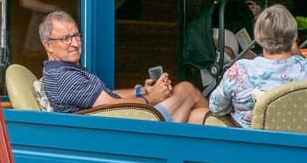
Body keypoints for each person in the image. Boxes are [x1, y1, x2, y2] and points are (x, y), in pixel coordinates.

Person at [38, 11, 210, 123]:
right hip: (127, 132)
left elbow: (104, 96)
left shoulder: (63, 70)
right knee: (186, 89)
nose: (75, 43)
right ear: (48, 45)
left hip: (120, 124)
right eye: (65, 39)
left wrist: (141, 92)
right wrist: (153, 98)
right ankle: (234, 130)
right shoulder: (65, 76)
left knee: (198, 117)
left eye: (76, 35)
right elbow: (110, 106)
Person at [208, 4, 307, 128]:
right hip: (299, 141)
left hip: (249, 143)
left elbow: (216, 107)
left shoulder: (240, 70)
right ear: (294, 37)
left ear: (258, 37)